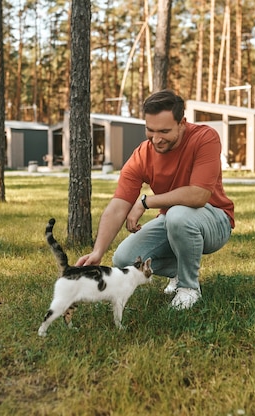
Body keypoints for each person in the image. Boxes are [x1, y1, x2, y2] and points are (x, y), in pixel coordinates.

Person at [75, 89, 235, 309]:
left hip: (215, 220)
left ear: (182, 123)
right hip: (172, 221)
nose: (156, 139)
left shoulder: (204, 138)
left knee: (178, 214)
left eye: (164, 131)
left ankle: (189, 288)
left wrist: (145, 202)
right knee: (124, 259)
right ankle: (179, 272)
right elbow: (118, 206)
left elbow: (199, 195)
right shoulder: (142, 155)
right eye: (150, 130)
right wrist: (98, 252)